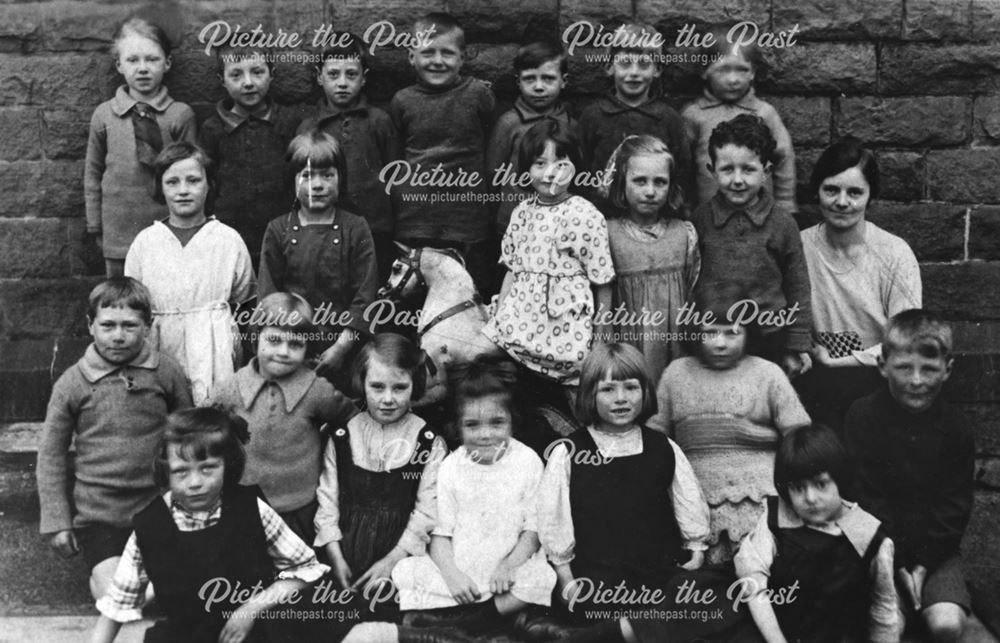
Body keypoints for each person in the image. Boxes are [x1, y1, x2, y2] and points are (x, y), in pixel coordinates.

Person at [89, 407, 330, 643]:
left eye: (207, 469)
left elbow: (305, 570)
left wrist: (251, 608)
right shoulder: (150, 526)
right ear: (166, 472)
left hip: (253, 633)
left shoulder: (251, 510)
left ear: (227, 465)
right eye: (181, 472)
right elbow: (115, 608)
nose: (195, 483)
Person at [36, 277, 192, 601]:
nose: (118, 336)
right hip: (99, 515)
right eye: (108, 325)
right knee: (117, 592)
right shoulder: (72, 383)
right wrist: (57, 520)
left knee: (172, 588)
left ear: (147, 326)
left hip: (157, 507)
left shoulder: (166, 372)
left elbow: (188, 435)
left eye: (129, 326)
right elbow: (51, 454)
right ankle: (112, 586)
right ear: (91, 325)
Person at [538, 343, 711, 628]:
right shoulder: (569, 452)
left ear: (645, 391)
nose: (621, 398)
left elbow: (687, 500)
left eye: (631, 388)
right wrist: (565, 577)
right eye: (608, 390)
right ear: (590, 395)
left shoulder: (662, 447)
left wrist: (696, 549)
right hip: (599, 576)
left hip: (658, 571)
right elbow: (554, 518)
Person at [392, 360, 556, 635]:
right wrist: (452, 575)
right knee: (406, 572)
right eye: (472, 425)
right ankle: (503, 618)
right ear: (457, 427)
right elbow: (440, 534)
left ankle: (467, 623)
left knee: (542, 577)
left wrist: (508, 566)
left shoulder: (528, 461)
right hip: (463, 567)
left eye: (496, 423)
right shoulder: (451, 466)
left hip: (507, 567)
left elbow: (533, 529)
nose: (485, 434)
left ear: (512, 421)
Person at [844, 310, 973, 642]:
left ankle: (927, 597)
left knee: (947, 625)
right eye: (903, 368)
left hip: (936, 549)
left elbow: (954, 507)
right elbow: (865, 498)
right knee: (889, 629)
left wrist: (923, 565)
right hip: (880, 545)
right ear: (883, 365)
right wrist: (898, 563)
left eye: (929, 369)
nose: (916, 380)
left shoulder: (956, 427)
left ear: (948, 369)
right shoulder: (863, 417)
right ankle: (900, 602)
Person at [648, 302, 811, 563]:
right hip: (696, 504)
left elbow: (800, 434)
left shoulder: (767, 373)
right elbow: (656, 438)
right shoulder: (676, 374)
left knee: (761, 571)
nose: (720, 343)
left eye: (732, 332)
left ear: (749, 333)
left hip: (761, 502)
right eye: (709, 332)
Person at [208, 293, 359, 544]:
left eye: (296, 345)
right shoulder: (231, 388)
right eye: (274, 340)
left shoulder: (316, 390)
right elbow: (204, 426)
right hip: (245, 505)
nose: (283, 352)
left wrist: (329, 450)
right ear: (256, 337)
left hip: (299, 510)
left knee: (298, 573)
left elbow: (351, 421)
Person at [314, 333, 447, 616]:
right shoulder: (342, 436)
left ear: (415, 385)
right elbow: (327, 501)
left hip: (401, 557)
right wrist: (335, 556)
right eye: (377, 386)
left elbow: (428, 511)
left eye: (399, 387)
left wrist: (393, 561)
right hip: (344, 555)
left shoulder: (428, 441)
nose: (388, 399)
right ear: (361, 383)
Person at [797, 136, 922, 431]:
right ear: (817, 191)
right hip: (815, 383)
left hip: (877, 381)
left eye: (854, 192)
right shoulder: (798, 248)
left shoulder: (894, 253)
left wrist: (839, 361)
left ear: (870, 196)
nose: (842, 202)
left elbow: (908, 340)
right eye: (831, 190)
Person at [482, 118, 615, 391]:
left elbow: (602, 279)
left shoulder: (584, 214)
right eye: (539, 163)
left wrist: (602, 332)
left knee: (575, 380)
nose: (550, 173)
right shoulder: (522, 211)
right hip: (520, 319)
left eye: (561, 164)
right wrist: (499, 318)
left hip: (564, 325)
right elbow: (512, 269)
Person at [124, 141, 255, 404]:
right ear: (160, 187)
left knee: (214, 418)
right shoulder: (146, 242)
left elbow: (245, 304)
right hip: (161, 347)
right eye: (172, 182)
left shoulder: (227, 240)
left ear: (209, 185)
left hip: (215, 348)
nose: (183, 190)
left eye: (193, 180)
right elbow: (132, 306)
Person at [691, 113, 812, 375]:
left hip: (769, 335)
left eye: (748, 169)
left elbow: (798, 284)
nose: (737, 179)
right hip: (716, 334)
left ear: (766, 172)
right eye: (727, 169)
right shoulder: (700, 220)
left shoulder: (782, 223)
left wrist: (796, 345)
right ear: (712, 171)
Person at [258, 130, 378, 386]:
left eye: (327, 175)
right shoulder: (278, 230)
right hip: (290, 349)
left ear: (341, 179)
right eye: (307, 176)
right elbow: (269, 297)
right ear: (292, 180)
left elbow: (365, 298)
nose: (318, 184)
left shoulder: (355, 228)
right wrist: (289, 347)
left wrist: (341, 349)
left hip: (346, 350)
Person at [389, 12, 497, 295]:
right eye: (428, 53)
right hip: (416, 220)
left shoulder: (478, 95)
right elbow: (395, 158)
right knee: (414, 298)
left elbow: (489, 142)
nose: (437, 61)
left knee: (470, 296)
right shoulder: (402, 101)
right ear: (412, 56)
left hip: (467, 222)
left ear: (462, 58)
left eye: (447, 53)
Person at [85, 17, 196, 277]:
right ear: (119, 65)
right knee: (123, 301)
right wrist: (95, 226)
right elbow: (92, 172)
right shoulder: (104, 115)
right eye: (133, 60)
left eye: (152, 59)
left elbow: (194, 175)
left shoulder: (180, 115)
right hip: (118, 231)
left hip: (169, 228)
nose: (143, 68)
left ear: (167, 63)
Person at [595, 134, 699, 381]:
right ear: (622, 183)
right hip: (627, 342)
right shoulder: (606, 233)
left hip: (674, 344)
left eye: (660, 182)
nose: (650, 191)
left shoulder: (684, 233)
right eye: (640, 181)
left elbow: (692, 287)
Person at [299, 36, 400, 281]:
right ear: (319, 77)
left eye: (351, 75)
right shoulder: (309, 126)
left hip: (376, 229)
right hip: (325, 227)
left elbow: (396, 174)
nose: (342, 83)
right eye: (333, 75)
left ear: (364, 77)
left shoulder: (379, 120)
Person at [198, 44, 301, 269]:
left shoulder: (289, 122)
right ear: (222, 79)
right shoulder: (212, 129)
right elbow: (207, 182)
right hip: (230, 235)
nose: (248, 82)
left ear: (272, 74)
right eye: (236, 74)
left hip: (282, 234)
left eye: (257, 72)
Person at [577, 22, 692, 210]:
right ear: (609, 67)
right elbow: (581, 166)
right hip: (602, 216)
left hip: (654, 213)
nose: (634, 73)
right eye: (625, 63)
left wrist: (673, 209)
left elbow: (682, 170)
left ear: (657, 70)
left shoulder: (668, 119)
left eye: (644, 64)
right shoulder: (593, 116)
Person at [681, 32, 795, 211]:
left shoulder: (764, 113)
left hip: (760, 215)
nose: (733, 79)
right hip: (709, 216)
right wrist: (684, 205)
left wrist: (786, 204)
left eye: (742, 70)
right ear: (704, 71)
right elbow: (682, 164)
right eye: (723, 69)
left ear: (753, 73)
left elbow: (784, 157)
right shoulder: (694, 115)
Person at [486, 39, 574, 236]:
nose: (539, 87)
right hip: (515, 222)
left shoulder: (570, 124)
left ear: (564, 81)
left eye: (548, 78)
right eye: (530, 79)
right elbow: (493, 173)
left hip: (560, 223)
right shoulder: (509, 123)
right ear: (518, 82)